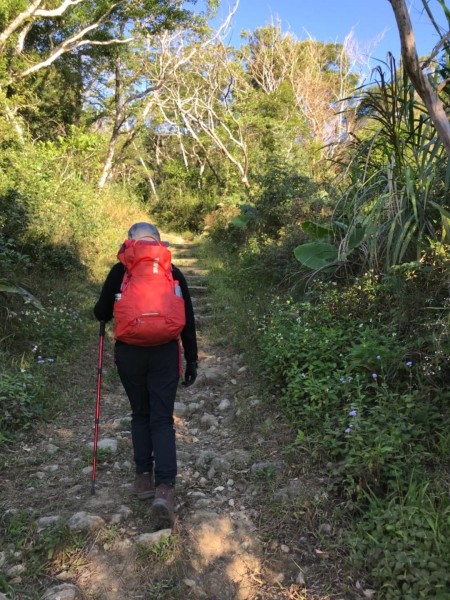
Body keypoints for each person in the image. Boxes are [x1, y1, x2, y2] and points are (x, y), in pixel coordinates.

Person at [94, 222, 198, 529]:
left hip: (130, 353)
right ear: (158, 242)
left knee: (140, 413)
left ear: (129, 243)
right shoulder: (172, 271)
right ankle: (165, 489)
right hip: (165, 351)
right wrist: (192, 360)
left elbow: (101, 312)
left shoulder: (120, 270)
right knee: (162, 419)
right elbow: (188, 320)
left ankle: (143, 478)